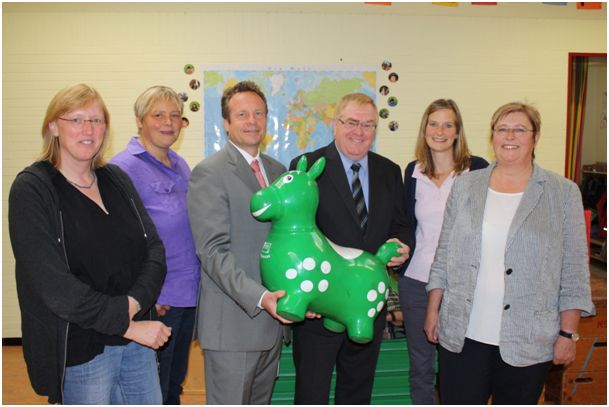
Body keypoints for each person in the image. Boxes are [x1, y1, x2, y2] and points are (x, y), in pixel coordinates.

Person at [8, 83, 171, 404]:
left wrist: (133, 304)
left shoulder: (116, 180)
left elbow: (154, 250)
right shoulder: (33, 190)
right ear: (53, 126)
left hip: (137, 340)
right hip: (80, 347)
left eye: (96, 120)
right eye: (76, 119)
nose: (88, 129)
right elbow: (54, 286)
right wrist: (125, 324)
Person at [425, 102, 594, 404]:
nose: (509, 136)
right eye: (502, 129)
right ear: (492, 137)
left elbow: (574, 270)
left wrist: (568, 335)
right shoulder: (466, 186)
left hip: (528, 339)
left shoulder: (562, 193)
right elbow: (445, 252)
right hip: (463, 333)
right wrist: (433, 310)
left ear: (535, 137)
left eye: (519, 129)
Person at [289, 92, 412, 404]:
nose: (360, 131)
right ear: (335, 125)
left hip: (366, 307)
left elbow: (400, 226)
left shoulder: (389, 171)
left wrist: (402, 246)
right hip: (321, 305)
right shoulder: (308, 167)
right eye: (352, 122)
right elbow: (297, 233)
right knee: (311, 393)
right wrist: (309, 295)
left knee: (357, 391)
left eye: (368, 124)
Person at [187, 81, 289, 404]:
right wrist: (261, 298)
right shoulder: (210, 173)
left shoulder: (277, 171)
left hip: (273, 326)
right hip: (234, 325)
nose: (252, 121)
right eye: (242, 114)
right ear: (227, 123)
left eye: (258, 113)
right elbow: (212, 252)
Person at [110, 85, 200, 405]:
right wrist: (148, 295)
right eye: (158, 115)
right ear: (139, 120)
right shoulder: (122, 168)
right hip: (158, 300)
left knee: (174, 386)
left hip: (187, 295)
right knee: (152, 392)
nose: (168, 122)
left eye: (175, 115)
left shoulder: (179, 164)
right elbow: (119, 241)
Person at [399, 99, 488, 404]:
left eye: (448, 124)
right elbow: (407, 226)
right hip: (416, 283)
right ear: (424, 130)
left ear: (457, 131)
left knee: (459, 365)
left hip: (461, 286)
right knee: (421, 367)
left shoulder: (477, 170)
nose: (440, 130)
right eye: (433, 123)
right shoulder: (413, 171)